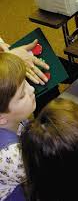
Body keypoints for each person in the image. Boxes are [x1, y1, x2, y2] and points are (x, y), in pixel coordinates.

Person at [0, 52, 36, 201]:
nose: (32, 89)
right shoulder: (12, 155)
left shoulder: (14, 122)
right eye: (22, 95)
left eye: (26, 82)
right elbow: (52, 173)